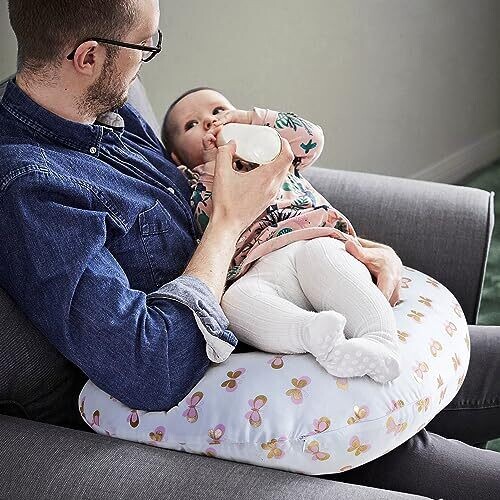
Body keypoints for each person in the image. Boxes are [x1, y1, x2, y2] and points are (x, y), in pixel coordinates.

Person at [0, 1, 498, 498]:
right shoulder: (34, 192)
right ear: (88, 57)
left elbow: (220, 194)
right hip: (249, 399)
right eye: (145, 45)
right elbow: (149, 366)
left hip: (288, 307)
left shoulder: (107, 110)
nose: (147, 59)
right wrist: (229, 220)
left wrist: (342, 244)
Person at [161, 87, 401, 384]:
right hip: (257, 267)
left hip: (312, 238)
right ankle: (315, 334)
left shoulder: (275, 151)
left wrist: (252, 119)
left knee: (325, 257)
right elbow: (207, 220)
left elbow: (312, 138)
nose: (209, 122)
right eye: (191, 124)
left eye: (218, 111)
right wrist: (214, 165)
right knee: (234, 303)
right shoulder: (195, 188)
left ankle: (380, 341)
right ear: (177, 157)